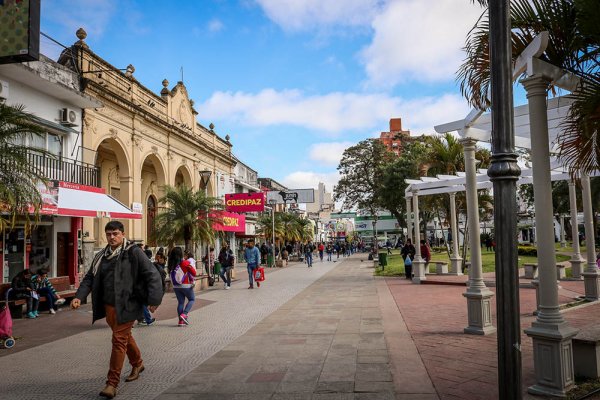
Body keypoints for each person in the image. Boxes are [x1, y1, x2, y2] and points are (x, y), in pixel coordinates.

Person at [71, 220, 163, 399]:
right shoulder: (102, 256)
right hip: (109, 306)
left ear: (122, 234)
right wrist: (78, 296)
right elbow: (90, 277)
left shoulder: (133, 252)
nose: (111, 237)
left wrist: (154, 299)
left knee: (118, 340)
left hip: (128, 304)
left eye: (115, 234)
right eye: (108, 234)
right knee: (124, 337)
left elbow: (151, 274)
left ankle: (111, 383)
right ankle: (137, 363)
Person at [169, 247, 197, 327]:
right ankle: (184, 314)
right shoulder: (185, 263)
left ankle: (180, 322)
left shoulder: (171, 264)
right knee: (192, 299)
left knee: (180, 302)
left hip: (176, 286)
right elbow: (194, 273)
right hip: (186, 285)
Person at [138, 253, 167, 326]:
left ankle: (143, 319)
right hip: (144, 287)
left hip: (143, 286)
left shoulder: (152, 266)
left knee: (142, 303)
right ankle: (146, 319)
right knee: (143, 303)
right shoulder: (157, 268)